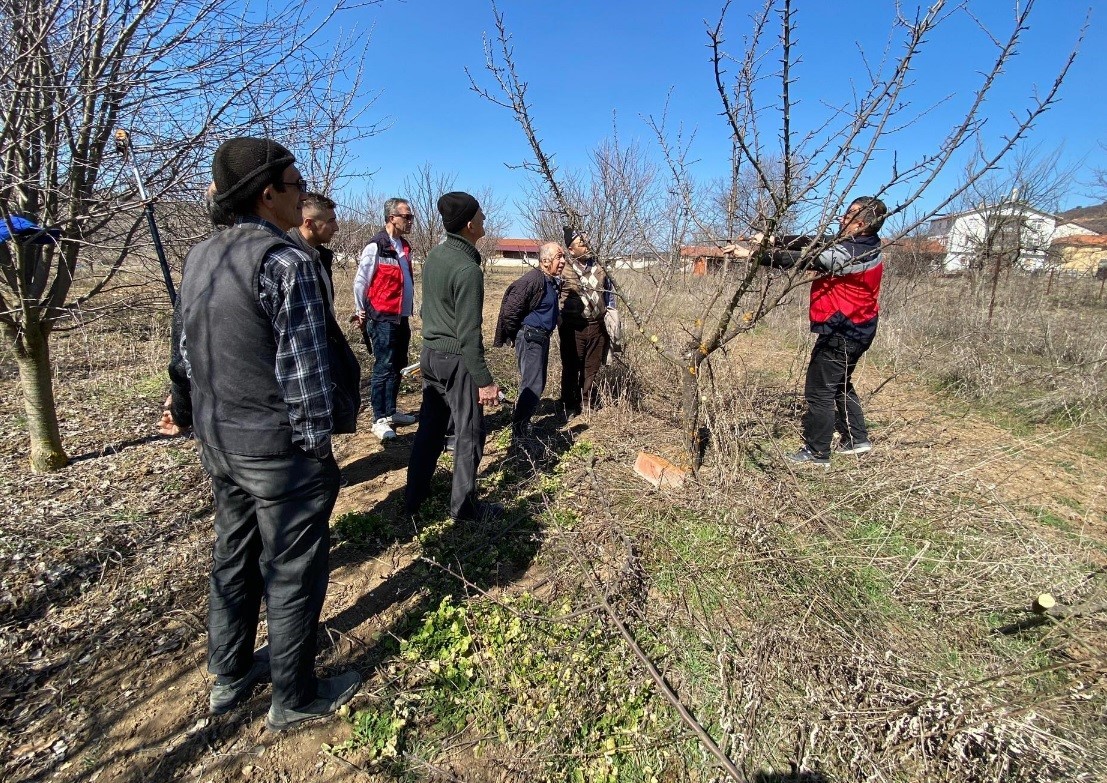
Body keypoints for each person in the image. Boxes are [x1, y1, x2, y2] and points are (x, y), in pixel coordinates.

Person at [173, 137, 361, 732]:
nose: (304, 192)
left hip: (220, 442)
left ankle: (228, 675)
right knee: (293, 568)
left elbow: (184, 354)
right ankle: (295, 695)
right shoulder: (287, 262)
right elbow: (305, 372)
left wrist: (184, 411)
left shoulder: (201, 256)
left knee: (233, 554)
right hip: (278, 451)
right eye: (296, 182)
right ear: (267, 193)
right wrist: (316, 450)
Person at [728, 196, 887, 466]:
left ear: (860, 223)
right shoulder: (864, 243)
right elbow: (815, 240)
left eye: (848, 215)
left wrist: (754, 255)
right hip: (859, 327)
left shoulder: (851, 253)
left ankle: (817, 452)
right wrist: (773, 238)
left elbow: (807, 259)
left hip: (843, 329)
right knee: (839, 383)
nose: (841, 218)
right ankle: (857, 439)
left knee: (820, 390)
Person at [405, 192, 501, 522]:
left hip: (430, 355)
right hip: (456, 359)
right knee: (470, 433)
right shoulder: (467, 269)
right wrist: (484, 382)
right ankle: (464, 508)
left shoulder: (436, 255)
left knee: (430, 428)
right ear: (470, 224)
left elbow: (429, 308)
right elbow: (468, 334)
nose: (485, 219)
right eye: (482, 215)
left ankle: (413, 496)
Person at [353, 198, 418, 442]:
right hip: (381, 316)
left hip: (401, 317)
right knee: (383, 365)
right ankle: (378, 418)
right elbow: (361, 281)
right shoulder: (376, 246)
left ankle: (391, 411)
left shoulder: (404, 246)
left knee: (398, 363)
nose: (410, 221)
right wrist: (361, 311)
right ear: (392, 218)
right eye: (407, 216)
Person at [493, 242, 565, 440]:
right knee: (532, 385)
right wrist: (515, 335)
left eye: (563, 257)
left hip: (540, 338)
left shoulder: (550, 281)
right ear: (544, 261)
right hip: (531, 338)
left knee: (536, 383)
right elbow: (510, 310)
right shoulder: (533, 280)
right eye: (559, 257)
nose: (563, 262)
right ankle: (519, 431)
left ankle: (522, 423)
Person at [558, 227, 615, 417]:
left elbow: (610, 294)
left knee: (592, 366)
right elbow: (556, 296)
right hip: (572, 328)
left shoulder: (601, 267)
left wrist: (611, 317)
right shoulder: (563, 269)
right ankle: (569, 404)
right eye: (582, 243)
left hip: (597, 326)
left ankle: (586, 401)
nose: (587, 246)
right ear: (571, 249)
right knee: (571, 366)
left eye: (587, 241)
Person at [290, 191, 340, 296]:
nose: (336, 228)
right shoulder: (290, 261)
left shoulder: (322, 257)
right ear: (309, 224)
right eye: (331, 221)